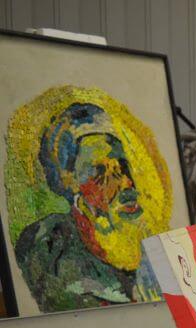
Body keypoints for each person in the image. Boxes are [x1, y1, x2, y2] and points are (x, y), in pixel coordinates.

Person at [16, 102, 160, 311]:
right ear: (72, 182)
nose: (125, 184)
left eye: (122, 167)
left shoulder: (153, 242)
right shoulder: (49, 245)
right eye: (101, 172)